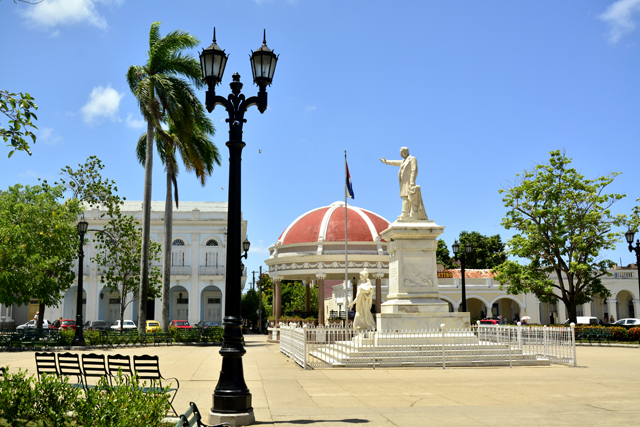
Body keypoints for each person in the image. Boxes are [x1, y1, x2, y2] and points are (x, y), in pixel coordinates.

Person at [380, 147, 428, 220]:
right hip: (403, 182)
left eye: (401, 153)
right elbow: (396, 162)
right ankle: (405, 213)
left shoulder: (412, 159)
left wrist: (412, 181)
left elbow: (414, 170)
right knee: (404, 196)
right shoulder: (403, 161)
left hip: (409, 181)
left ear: (405, 152)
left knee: (407, 196)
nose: (401, 155)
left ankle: (407, 213)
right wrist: (386, 161)